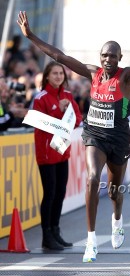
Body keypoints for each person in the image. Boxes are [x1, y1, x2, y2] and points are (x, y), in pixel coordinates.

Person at [17, 11, 130, 261]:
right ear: (100, 57)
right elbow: (59, 56)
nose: (108, 59)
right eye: (104, 55)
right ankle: (91, 240)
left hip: (118, 139)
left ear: (120, 58)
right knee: (92, 179)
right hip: (94, 136)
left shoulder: (126, 76)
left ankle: (117, 220)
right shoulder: (92, 73)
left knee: (114, 192)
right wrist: (30, 36)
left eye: (113, 56)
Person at [29, 61, 82, 250]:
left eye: (61, 73)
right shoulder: (40, 98)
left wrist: (68, 110)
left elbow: (77, 119)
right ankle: (46, 236)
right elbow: (39, 123)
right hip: (46, 153)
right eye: (54, 74)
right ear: (47, 77)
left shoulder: (68, 95)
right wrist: (60, 111)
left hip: (62, 151)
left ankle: (55, 231)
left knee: (60, 192)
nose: (58, 76)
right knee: (50, 193)